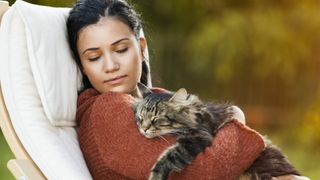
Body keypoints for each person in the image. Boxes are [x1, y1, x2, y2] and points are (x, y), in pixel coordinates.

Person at [66, 0, 307, 179]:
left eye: (120, 50)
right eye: (95, 57)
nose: (111, 66)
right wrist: (235, 118)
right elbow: (204, 172)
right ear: (83, 67)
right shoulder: (107, 108)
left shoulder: (152, 97)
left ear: (140, 48)